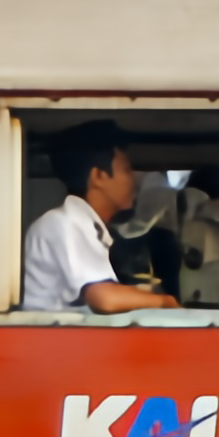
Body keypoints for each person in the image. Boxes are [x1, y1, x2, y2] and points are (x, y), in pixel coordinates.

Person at [25, 127, 178, 314]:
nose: (134, 181)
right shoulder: (65, 222)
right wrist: (165, 302)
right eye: (127, 171)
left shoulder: (84, 225)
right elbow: (104, 298)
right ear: (98, 176)